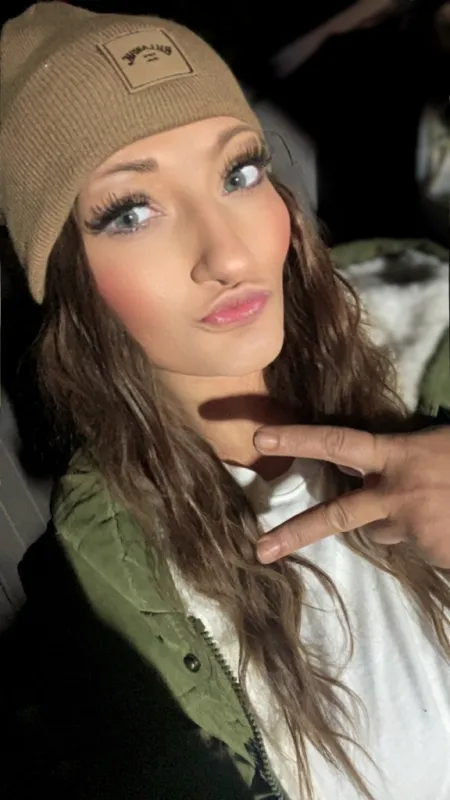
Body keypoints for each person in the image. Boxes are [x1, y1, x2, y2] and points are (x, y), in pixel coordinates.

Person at [1, 4, 450, 800]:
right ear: (67, 277)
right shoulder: (109, 611)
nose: (229, 253)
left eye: (238, 173)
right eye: (131, 212)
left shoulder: (430, 336)